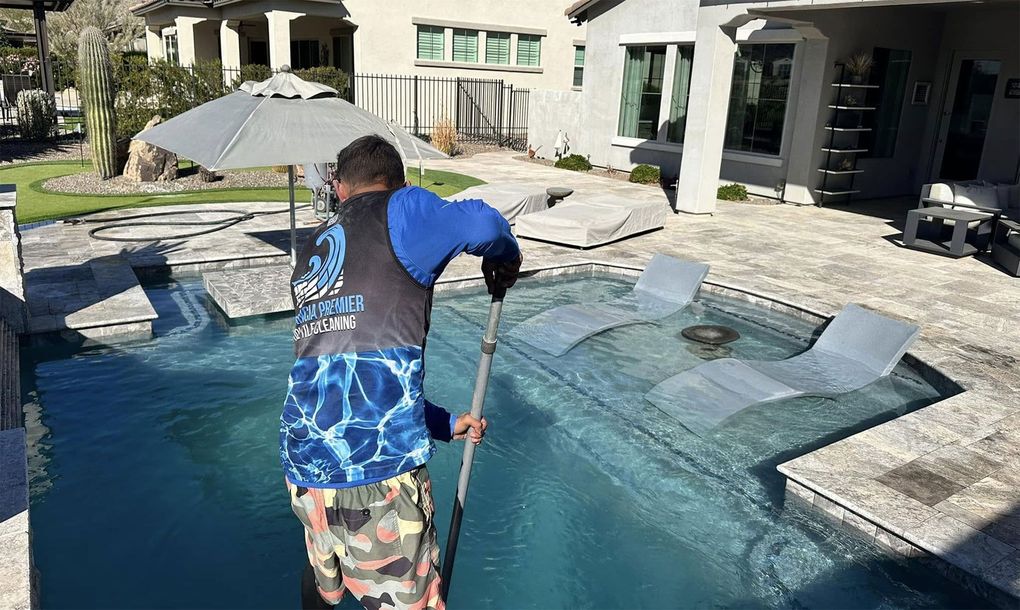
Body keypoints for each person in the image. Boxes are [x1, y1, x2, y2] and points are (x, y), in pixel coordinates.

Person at [281, 135, 522, 610]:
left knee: (325, 579)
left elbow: (350, 377)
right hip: (377, 475)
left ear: (339, 188)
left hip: (305, 467)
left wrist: (443, 423)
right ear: (400, 182)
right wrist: (506, 256)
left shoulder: (313, 251)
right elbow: (484, 222)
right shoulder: (402, 207)